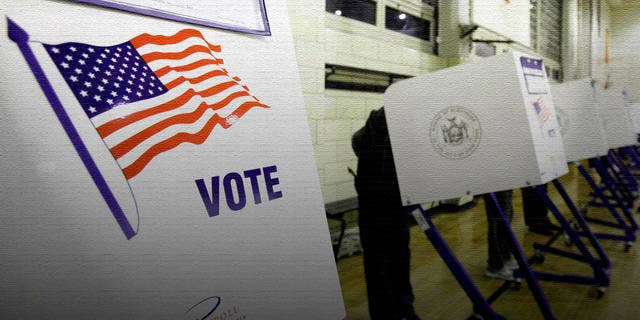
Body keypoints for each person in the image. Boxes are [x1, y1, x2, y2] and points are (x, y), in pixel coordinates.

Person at [352, 107, 420, 320]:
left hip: (378, 199)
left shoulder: (378, 120)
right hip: (384, 200)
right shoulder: (396, 118)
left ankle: (398, 311)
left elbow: (356, 141)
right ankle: (399, 311)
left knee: (387, 259)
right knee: (390, 259)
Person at [483, 190, 518, 280]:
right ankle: (495, 266)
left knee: (507, 217)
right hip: (493, 182)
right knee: (496, 223)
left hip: (503, 181)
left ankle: (505, 257)